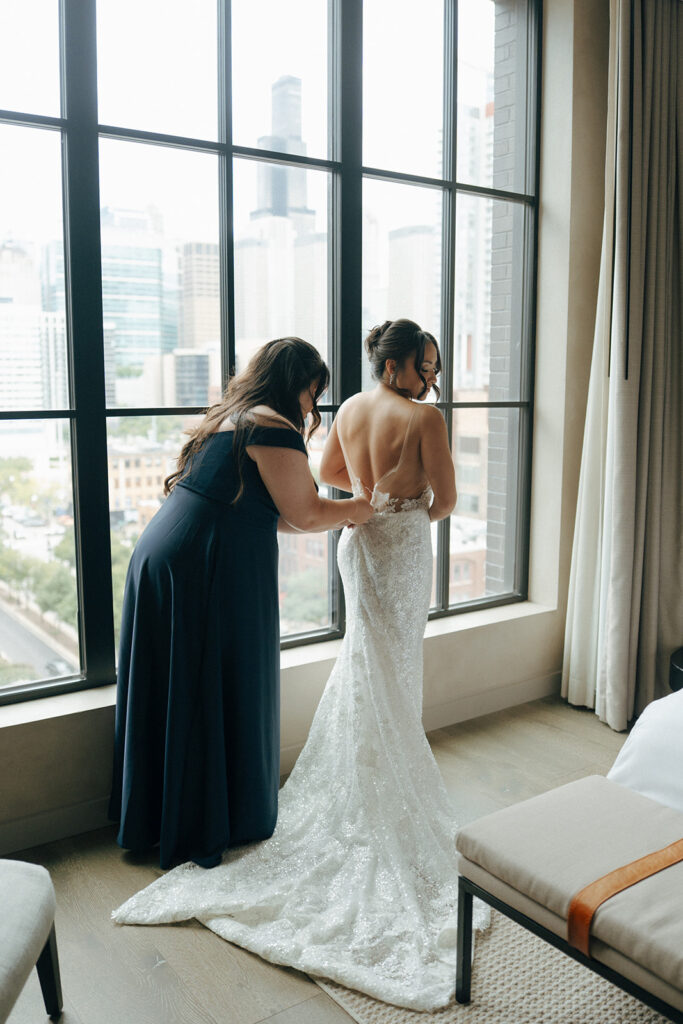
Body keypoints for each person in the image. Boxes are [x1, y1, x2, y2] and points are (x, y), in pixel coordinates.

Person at [112, 319, 489, 1012]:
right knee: (383, 667)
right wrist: (385, 513)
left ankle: (169, 814)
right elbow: (437, 503)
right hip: (345, 546)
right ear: (399, 363)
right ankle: (371, 774)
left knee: (346, 667)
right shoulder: (412, 418)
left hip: (181, 552)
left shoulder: (259, 413)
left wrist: (352, 509)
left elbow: (307, 497)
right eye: (426, 363)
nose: (432, 376)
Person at [108, 337, 373, 871]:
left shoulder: (233, 416)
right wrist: (364, 509)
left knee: (182, 681)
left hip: (171, 553)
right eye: (312, 393)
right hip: (205, 564)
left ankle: (164, 816)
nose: (312, 407)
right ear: (297, 383)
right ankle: (212, 818)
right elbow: (304, 513)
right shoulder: (271, 425)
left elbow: (269, 509)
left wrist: (334, 512)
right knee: (217, 678)